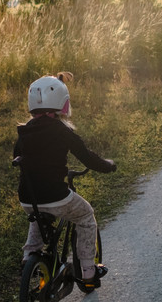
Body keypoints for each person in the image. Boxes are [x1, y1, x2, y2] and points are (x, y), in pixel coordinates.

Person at [14, 72, 116, 289]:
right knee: (86, 215)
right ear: (62, 102)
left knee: (37, 214)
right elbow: (87, 157)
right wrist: (108, 165)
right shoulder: (62, 131)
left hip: (27, 196)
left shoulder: (23, 131)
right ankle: (89, 270)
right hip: (56, 196)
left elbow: (19, 156)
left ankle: (29, 257)